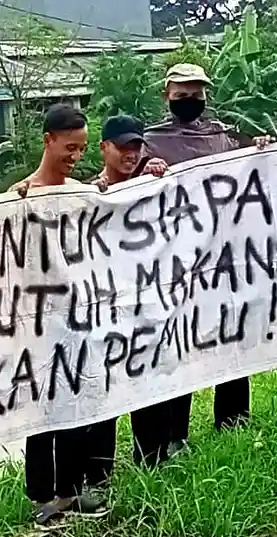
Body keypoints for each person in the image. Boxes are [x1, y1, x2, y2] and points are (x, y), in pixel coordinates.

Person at [141, 63, 270, 460]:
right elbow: (125, 183)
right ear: (167, 95)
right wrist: (148, 171)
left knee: (231, 331)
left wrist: (260, 151)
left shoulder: (223, 137)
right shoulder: (151, 141)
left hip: (225, 254)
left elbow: (249, 175)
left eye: (196, 94)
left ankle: (233, 419)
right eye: (182, 94)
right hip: (175, 259)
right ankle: (175, 431)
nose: (190, 100)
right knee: (180, 340)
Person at [11, 103, 109, 529]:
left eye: (82, 148)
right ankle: (42, 495)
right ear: (48, 140)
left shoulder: (81, 194)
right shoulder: (20, 197)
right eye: (70, 147)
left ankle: (70, 490)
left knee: (75, 401)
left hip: (77, 315)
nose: (75, 156)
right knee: (41, 406)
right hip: (34, 318)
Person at [89, 115, 173, 471]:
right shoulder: (87, 195)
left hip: (146, 306)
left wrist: (158, 178)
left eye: (136, 147)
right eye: (123, 147)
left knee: (149, 383)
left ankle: (153, 461)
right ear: (104, 148)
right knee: (103, 390)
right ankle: (97, 473)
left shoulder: (152, 184)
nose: (130, 154)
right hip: (104, 310)